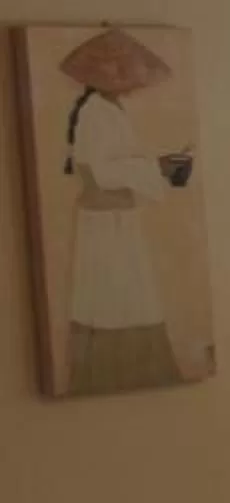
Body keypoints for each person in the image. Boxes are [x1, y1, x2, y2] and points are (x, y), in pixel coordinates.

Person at [53, 27, 194, 395]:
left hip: (119, 216)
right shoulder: (93, 113)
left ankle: (137, 372)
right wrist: (155, 168)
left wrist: (154, 167)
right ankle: (108, 375)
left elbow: (120, 163)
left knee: (131, 295)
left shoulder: (111, 110)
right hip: (105, 221)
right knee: (111, 298)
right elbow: (102, 171)